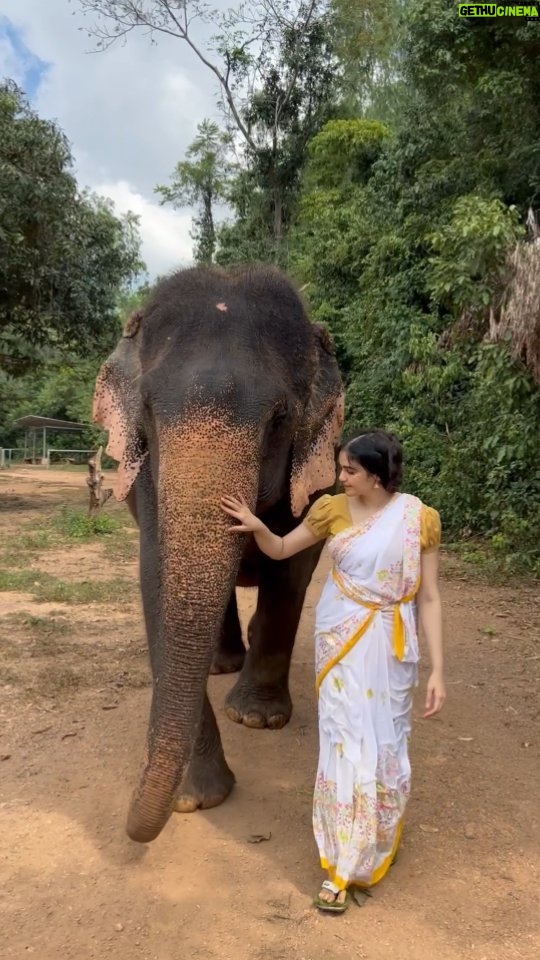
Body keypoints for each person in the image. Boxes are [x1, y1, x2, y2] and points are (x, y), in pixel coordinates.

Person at [221, 429, 445, 914]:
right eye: (340, 468)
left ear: (378, 476)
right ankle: (342, 862)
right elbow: (281, 549)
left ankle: (377, 834)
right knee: (345, 739)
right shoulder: (331, 511)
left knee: (385, 740)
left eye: (349, 471)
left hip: (392, 647)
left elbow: (428, 597)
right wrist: (255, 525)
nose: (339, 477)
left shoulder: (419, 520)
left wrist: (438, 670)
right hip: (340, 640)